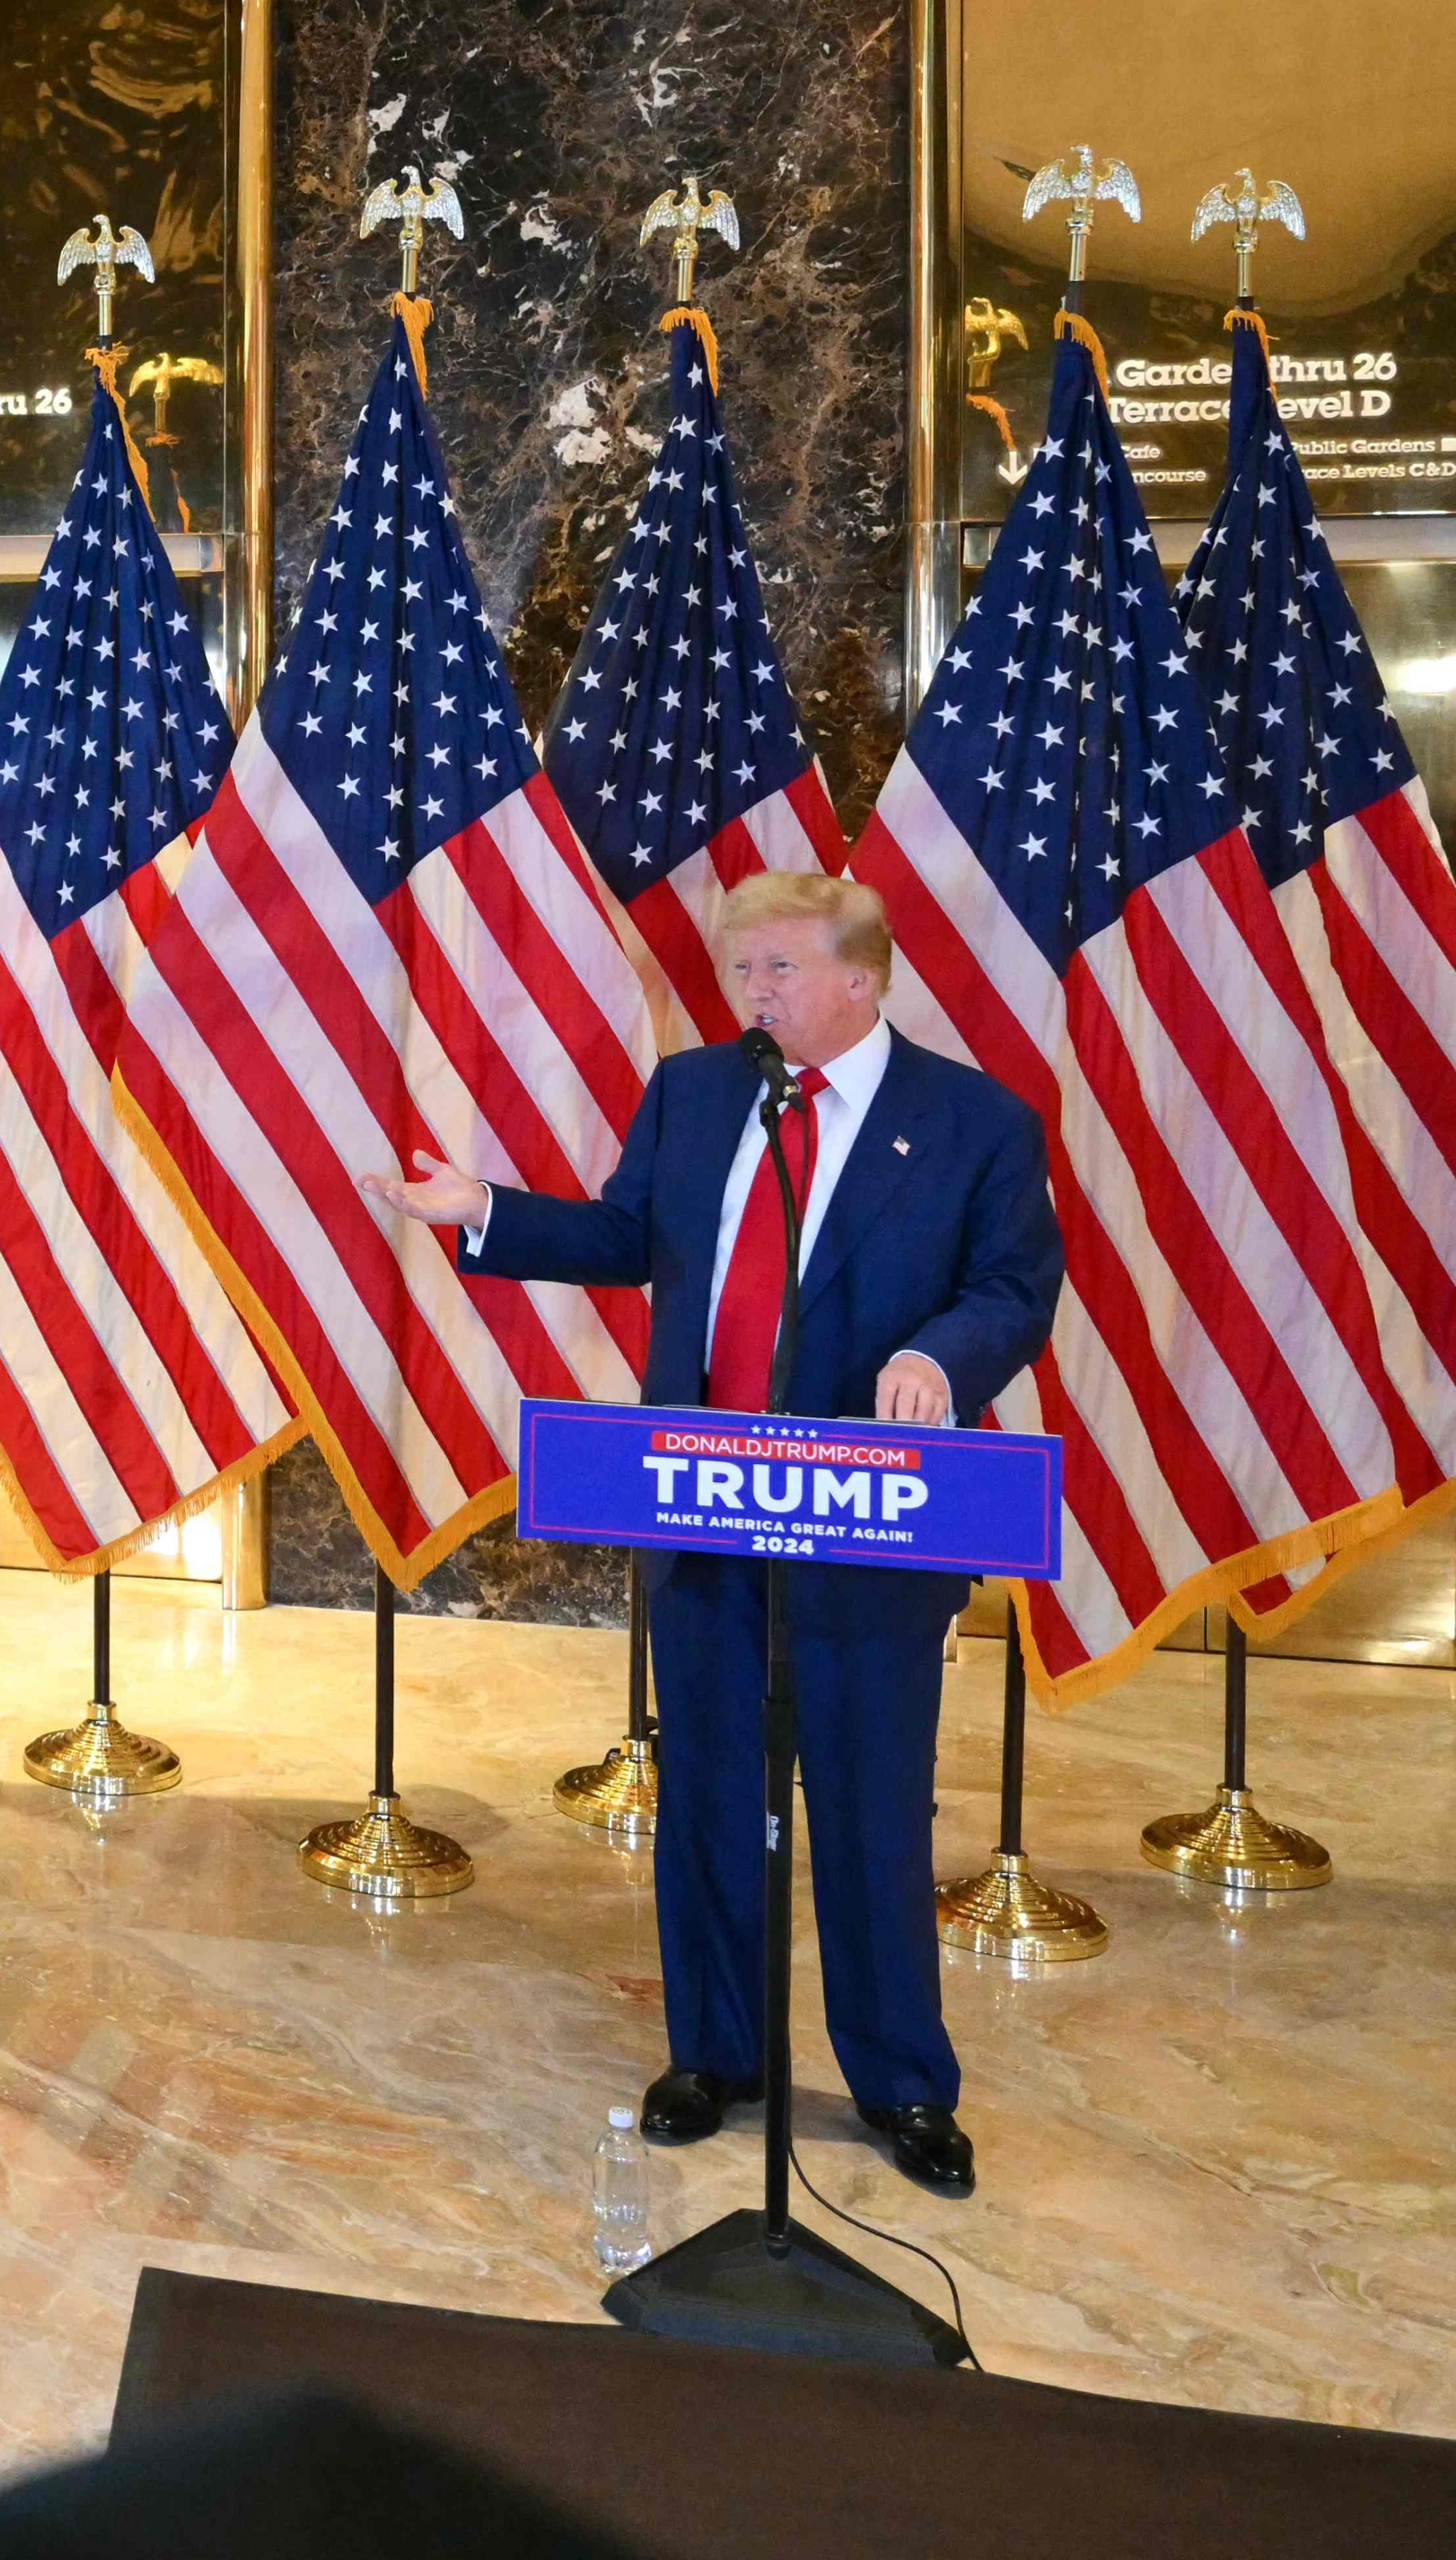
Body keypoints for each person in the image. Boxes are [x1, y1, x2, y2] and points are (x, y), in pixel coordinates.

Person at [363, 871, 1060, 2201]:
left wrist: (941, 1355)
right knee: (713, 1802)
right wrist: (488, 1212)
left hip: (869, 1524)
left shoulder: (974, 1123)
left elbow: (1014, 1289)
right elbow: (632, 1237)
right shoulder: (695, 1094)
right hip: (700, 1504)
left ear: (863, 980)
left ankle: (904, 2081)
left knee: (867, 1811)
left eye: (780, 972)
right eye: (744, 972)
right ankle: (715, 2055)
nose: (754, 996)